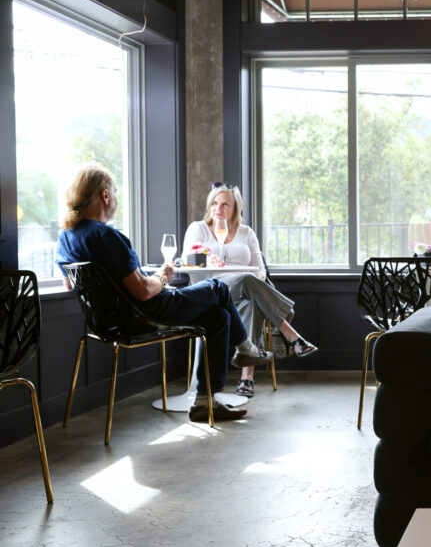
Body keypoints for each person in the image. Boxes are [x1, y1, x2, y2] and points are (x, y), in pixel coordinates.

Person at [56, 164, 274, 422]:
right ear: (105, 196)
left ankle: (206, 402)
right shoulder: (107, 237)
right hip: (143, 314)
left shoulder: (66, 236)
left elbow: (70, 285)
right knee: (218, 288)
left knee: (218, 316)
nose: (115, 198)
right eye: (114, 192)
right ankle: (246, 348)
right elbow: (145, 291)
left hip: (106, 322)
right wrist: (162, 275)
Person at [182, 183, 318, 398]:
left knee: (251, 298)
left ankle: (247, 376)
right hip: (209, 292)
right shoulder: (198, 228)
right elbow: (188, 257)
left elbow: (260, 271)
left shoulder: (246, 232)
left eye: (225, 204)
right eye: (215, 203)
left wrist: (252, 279)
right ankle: (289, 333)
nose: (219, 208)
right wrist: (208, 257)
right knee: (247, 281)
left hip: (243, 293)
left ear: (236, 208)